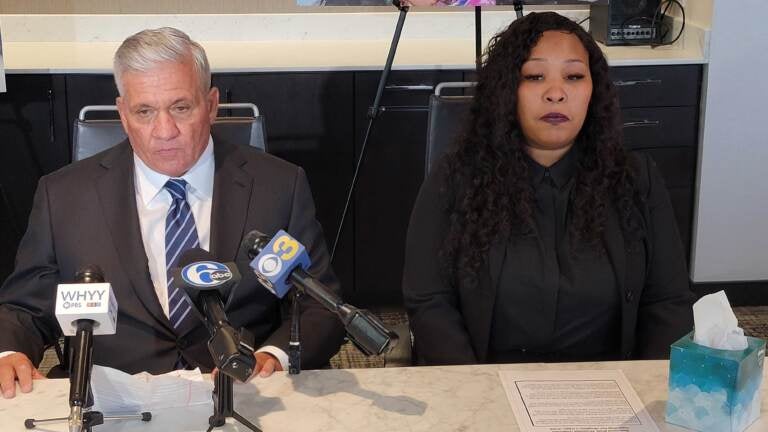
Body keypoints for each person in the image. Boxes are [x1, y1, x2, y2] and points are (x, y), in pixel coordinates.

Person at [0, 27, 345, 398]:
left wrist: (273, 355)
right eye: (145, 111)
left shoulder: (279, 185)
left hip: (244, 394)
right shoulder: (63, 196)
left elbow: (320, 305)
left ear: (211, 105)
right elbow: (25, 308)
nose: (165, 131)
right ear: (123, 113)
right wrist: (9, 350)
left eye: (181, 108)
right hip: (115, 404)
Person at [402, 12, 695, 365]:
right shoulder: (455, 179)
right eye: (534, 76)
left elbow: (668, 303)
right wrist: (476, 392)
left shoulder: (637, 181)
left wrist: (646, 393)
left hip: (608, 386)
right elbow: (429, 301)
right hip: (490, 384)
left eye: (573, 76)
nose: (556, 93)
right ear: (507, 91)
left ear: (593, 90)